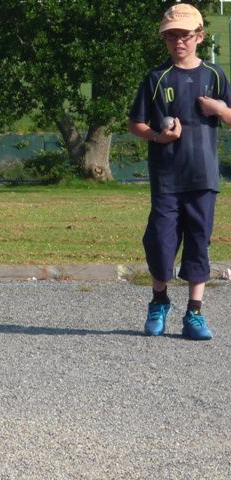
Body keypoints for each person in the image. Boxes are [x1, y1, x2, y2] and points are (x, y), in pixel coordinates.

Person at [128, 3, 231, 340]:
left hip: (203, 178)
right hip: (167, 177)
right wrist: (159, 135)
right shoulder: (156, 78)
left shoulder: (215, 76)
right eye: (171, 36)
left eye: (184, 35)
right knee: (160, 241)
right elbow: (135, 124)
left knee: (198, 243)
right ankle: (159, 300)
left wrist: (219, 109)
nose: (178, 42)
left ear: (199, 36)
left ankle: (195, 314)